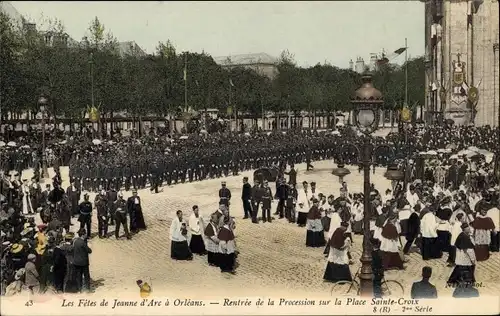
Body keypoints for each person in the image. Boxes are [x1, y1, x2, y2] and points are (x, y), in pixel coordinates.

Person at [73, 229, 92, 293]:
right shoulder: (83, 243)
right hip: (83, 262)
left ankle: (79, 289)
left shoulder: (75, 241)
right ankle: (87, 289)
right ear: (83, 235)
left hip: (76, 262)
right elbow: (89, 251)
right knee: (86, 276)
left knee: (79, 276)